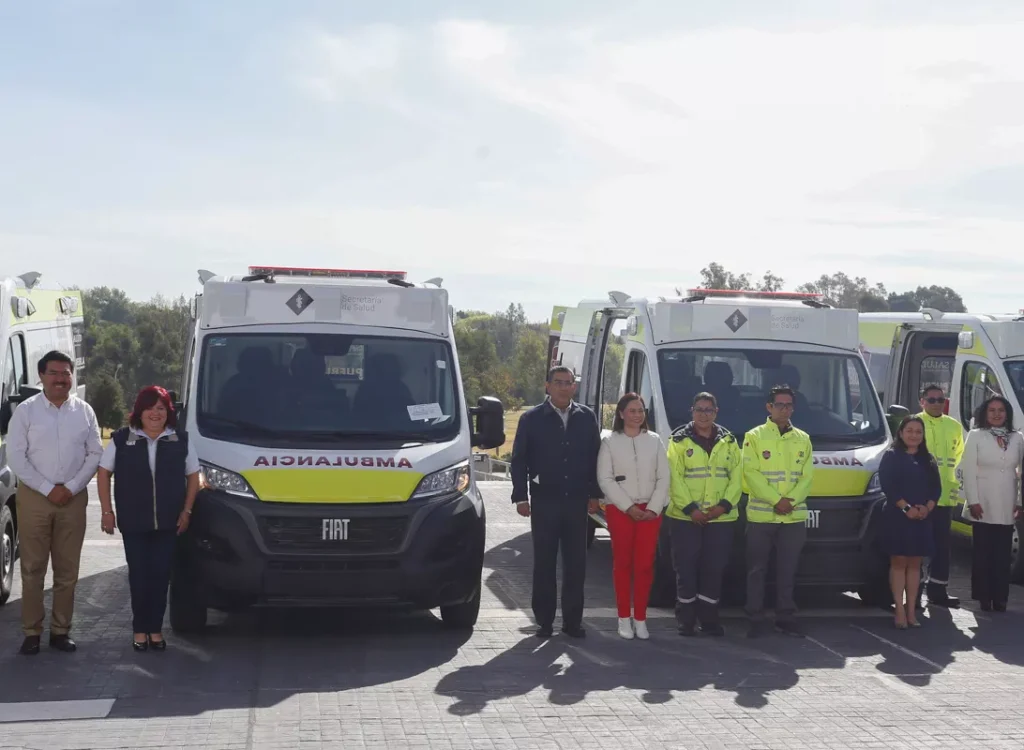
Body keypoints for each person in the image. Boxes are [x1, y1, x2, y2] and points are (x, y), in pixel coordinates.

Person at [7, 350, 103, 655]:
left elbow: (95, 453)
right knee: (33, 567)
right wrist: (48, 488)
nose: (61, 379)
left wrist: (72, 487)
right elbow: (16, 457)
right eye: (54, 373)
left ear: (72, 376)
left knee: (67, 570)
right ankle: (32, 632)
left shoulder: (84, 411)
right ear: (41, 376)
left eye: (66, 373)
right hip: (35, 497)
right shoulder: (26, 411)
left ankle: (61, 631)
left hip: (72, 499)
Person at [96, 386, 200, 650]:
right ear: (139, 411)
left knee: (160, 577)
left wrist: (186, 511)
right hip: (134, 524)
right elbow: (104, 472)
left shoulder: (180, 440)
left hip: (168, 523)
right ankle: (139, 630)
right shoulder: (122, 439)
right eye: (150, 408)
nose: (156, 413)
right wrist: (107, 511)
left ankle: (155, 630)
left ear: (168, 412)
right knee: (139, 577)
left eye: (161, 408)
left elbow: (193, 477)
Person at [511, 366, 602, 639]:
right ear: (547, 386)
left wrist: (595, 494)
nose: (564, 387)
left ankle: (573, 622)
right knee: (545, 563)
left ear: (574, 387)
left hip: (577, 502)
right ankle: (544, 621)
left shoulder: (586, 417)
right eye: (558, 382)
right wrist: (520, 496)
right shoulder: (531, 418)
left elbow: (595, 458)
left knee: (576, 564)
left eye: (569, 383)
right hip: (544, 501)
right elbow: (519, 459)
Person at [666, 392, 742, 637]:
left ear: (716, 412)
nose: (704, 414)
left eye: (709, 410)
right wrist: (692, 510)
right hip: (685, 518)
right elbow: (674, 479)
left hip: (721, 518)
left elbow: (737, 478)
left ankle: (709, 621)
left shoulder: (729, 441)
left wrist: (723, 507)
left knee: (713, 570)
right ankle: (685, 621)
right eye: (699, 409)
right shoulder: (678, 441)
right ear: (692, 411)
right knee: (685, 570)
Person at [742, 385, 814, 638]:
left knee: (788, 569)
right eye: (780, 405)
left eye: (789, 405)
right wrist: (776, 501)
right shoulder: (754, 436)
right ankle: (755, 617)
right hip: (762, 516)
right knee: (756, 570)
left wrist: (789, 501)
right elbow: (751, 474)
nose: (785, 409)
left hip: (792, 517)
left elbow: (806, 477)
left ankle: (785, 617)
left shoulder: (803, 438)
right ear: (769, 407)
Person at [596, 392, 670, 640]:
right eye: (632, 411)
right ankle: (623, 619)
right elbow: (605, 478)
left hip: (650, 512)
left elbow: (664, 478)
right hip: (621, 511)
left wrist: (653, 508)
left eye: (641, 411)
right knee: (623, 564)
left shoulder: (655, 440)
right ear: (621, 414)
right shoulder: (609, 442)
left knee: (645, 566)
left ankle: (640, 618)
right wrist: (628, 507)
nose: (637, 415)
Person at [959, 396, 1024, 612]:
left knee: (1002, 554)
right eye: (992, 410)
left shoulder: (1017, 438)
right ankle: (984, 597)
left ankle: (1001, 597)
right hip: (983, 501)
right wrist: (973, 501)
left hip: (1007, 502)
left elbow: (1021, 473)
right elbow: (968, 471)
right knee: (983, 553)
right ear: (985, 414)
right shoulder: (977, 436)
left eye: (1001, 410)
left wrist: (1019, 502)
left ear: (1007, 413)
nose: (997, 414)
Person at [878, 416, 941, 629]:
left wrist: (927, 507)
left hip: (922, 518)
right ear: (901, 433)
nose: (914, 435)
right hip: (898, 517)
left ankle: (912, 610)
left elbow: (936, 488)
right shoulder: (891, 456)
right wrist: (906, 508)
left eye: (918, 432)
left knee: (915, 564)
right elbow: (888, 485)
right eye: (910, 431)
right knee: (899, 563)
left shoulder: (928, 459)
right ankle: (899, 609)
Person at [916, 384, 965, 608]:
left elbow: (959, 458)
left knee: (942, 546)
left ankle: (938, 590)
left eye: (940, 400)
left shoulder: (954, 426)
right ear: (922, 401)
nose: (936, 403)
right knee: (916, 546)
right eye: (932, 399)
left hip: (944, 497)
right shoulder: (914, 424)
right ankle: (914, 592)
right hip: (919, 498)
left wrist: (957, 486)